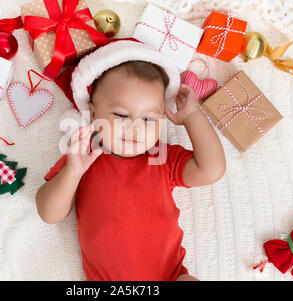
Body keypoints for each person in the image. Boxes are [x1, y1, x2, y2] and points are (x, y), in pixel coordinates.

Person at [35, 40, 226, 281]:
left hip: (170, 276)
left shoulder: (161, 158)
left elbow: (212, 169)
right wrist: (72, 172)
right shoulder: (83, 157)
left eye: (148, 119)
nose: (134, 127)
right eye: (122, 115)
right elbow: (49, 214)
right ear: (93, 114)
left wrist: (192, 116)